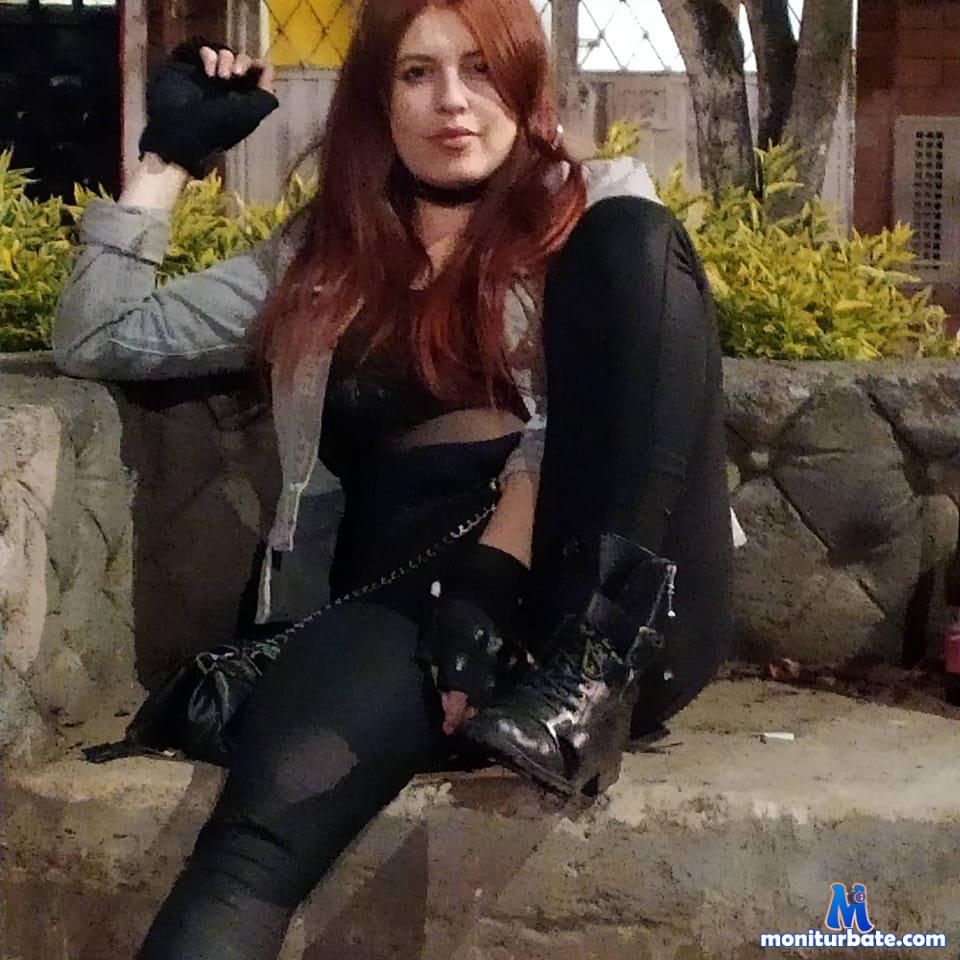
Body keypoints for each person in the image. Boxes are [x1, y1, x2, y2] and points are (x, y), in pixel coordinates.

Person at [52, 0, 732, 956]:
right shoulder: (321, 256)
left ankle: (581, 681)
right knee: (253, 841)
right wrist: (167, 159)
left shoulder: (595, 215)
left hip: (600, 602)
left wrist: (497, 573)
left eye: (480, 69)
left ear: (525, 85)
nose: (451, 100)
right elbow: (98, 336)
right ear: (378, 99)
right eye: (417, 73)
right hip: (408, 605)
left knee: (634, 237)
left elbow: (587, 411)